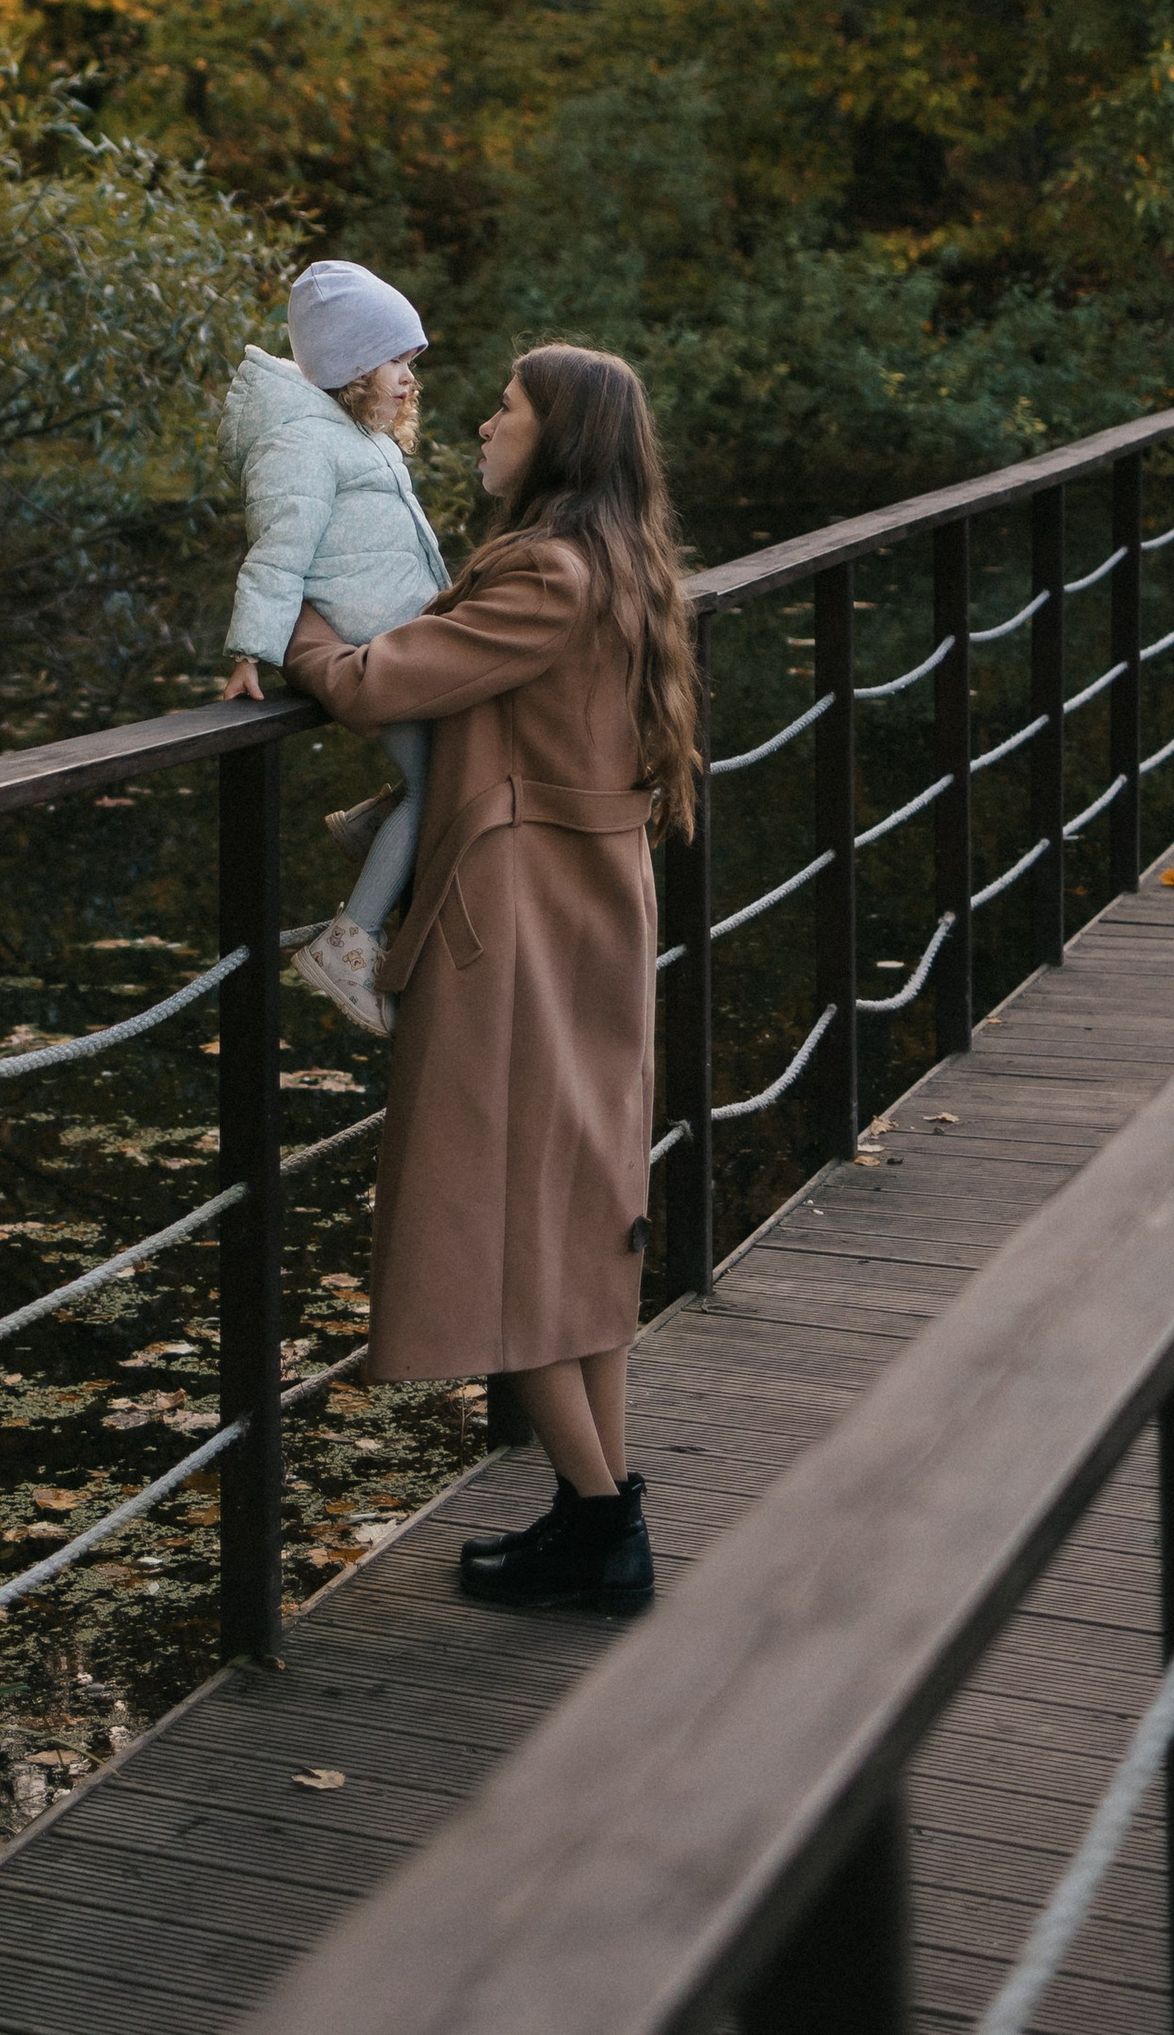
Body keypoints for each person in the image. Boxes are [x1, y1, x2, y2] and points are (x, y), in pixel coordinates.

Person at [282, 342, 700, 1620]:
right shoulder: (621, 567)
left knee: (516, 1219)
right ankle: (594, 1516)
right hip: (581, 914)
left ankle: (596, 1521)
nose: (480, 420)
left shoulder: (546, 576)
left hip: (522, 927)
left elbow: (370, 682)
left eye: (507, 408)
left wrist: (285, 614)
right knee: (578, 1218)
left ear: (558, 437)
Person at [216, 259, 449, 1039]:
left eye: (412, 362)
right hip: (374, 651)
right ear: (350, 367)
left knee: (443, 772)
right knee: (438, 788)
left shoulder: (353, 433)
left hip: (402, 640)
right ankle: (350, 946)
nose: (409, 378)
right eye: (395, 362)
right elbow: (279, 551)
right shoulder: (301, 444)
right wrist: (250, 649)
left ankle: (369, 825)